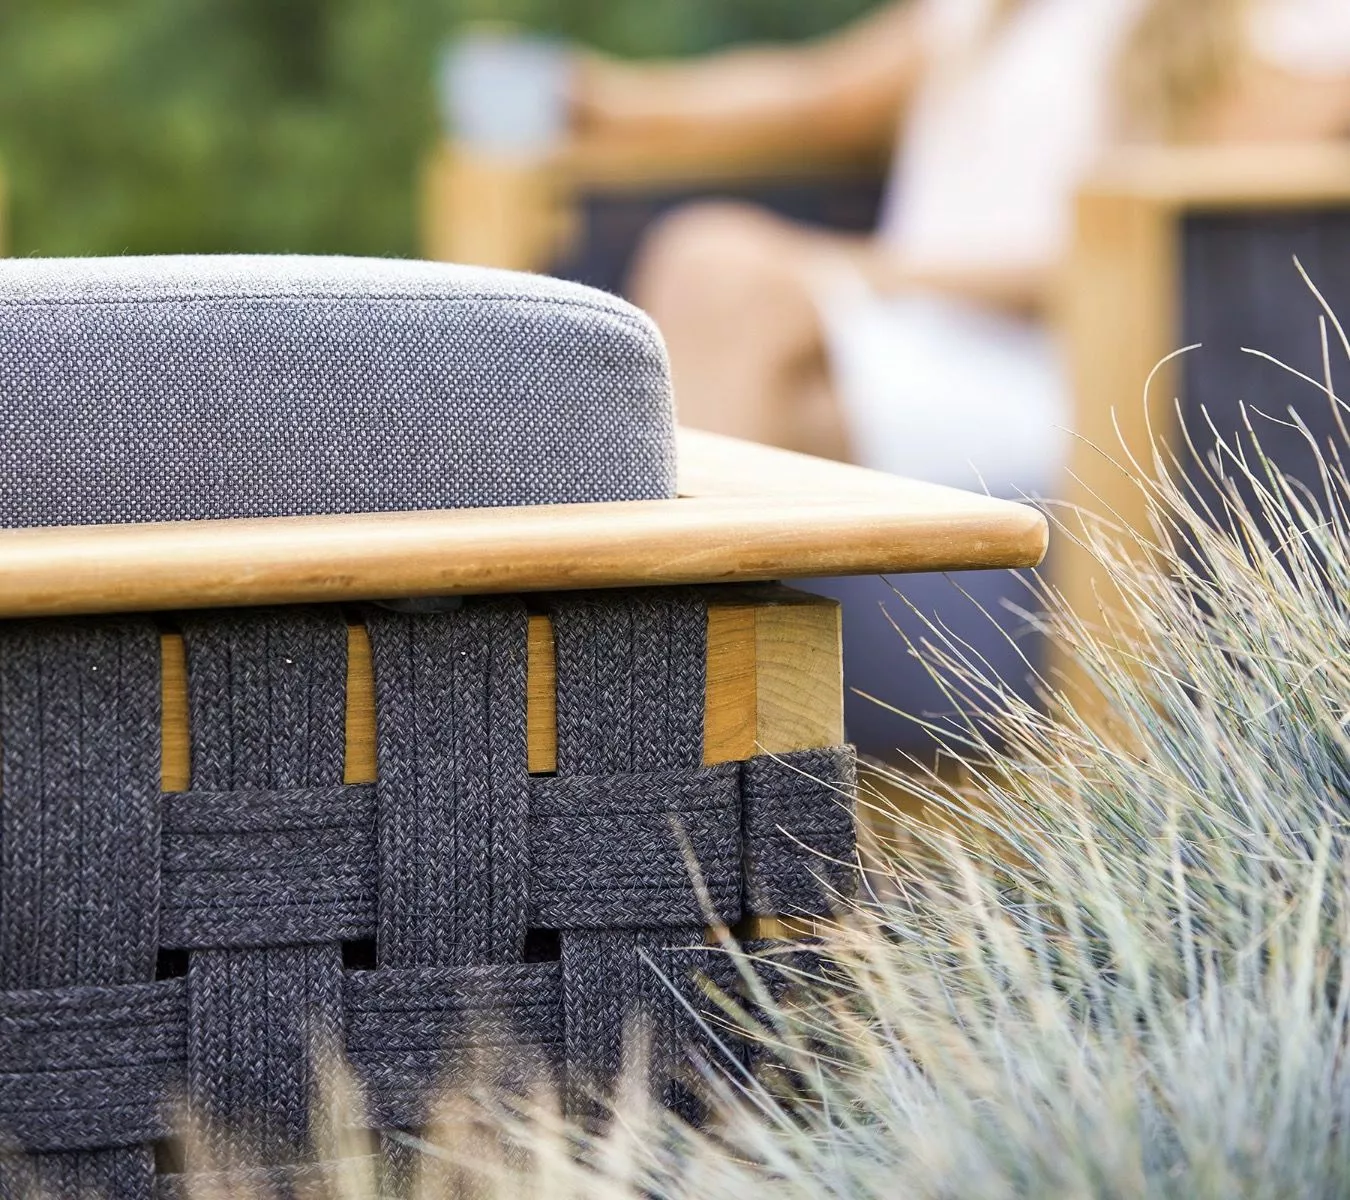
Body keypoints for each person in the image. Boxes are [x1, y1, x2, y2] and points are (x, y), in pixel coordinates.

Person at [571, 0, 1350, 500]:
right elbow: (822, 92)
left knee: (718, 275)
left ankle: (655, 684)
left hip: (1069, 376)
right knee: (719, 307)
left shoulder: (1254, 25)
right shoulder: (992, 13)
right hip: (914, 339)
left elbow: (1201, 249)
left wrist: (861, 272)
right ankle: (678, 686)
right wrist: (612, 100)